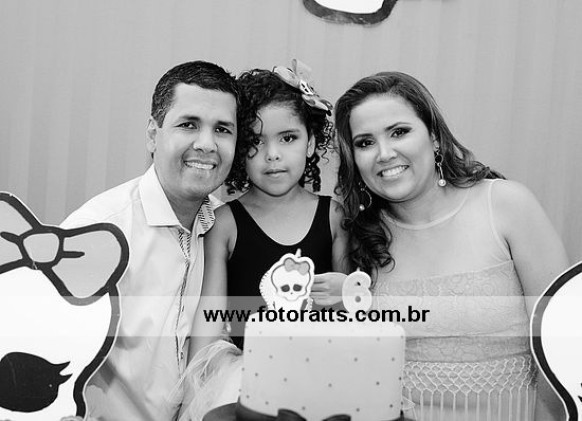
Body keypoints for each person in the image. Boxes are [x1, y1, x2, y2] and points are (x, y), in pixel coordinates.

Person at [333, 71, 569, 420]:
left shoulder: (506, 206)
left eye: (399, 132)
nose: (384, 153)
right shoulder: (359, 236)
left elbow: (564, 339)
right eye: (365, 143)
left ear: (434, 137)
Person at [61, 60, 239, 421]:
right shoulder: (99, 231)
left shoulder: (228, 230)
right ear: (152, 135)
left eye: (222, 129)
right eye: (188, 124)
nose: (206, 144)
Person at [179, 61, 349, 420]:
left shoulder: (334, 217)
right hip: (246, 381)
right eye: (256, 141)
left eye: (288, 138)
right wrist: (195, 396)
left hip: (321, 376)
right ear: (240, 148)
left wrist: (347, 295)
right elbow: (210, 318)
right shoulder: (225, 223)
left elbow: (349, 311)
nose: (273, 154)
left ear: (310, 143)